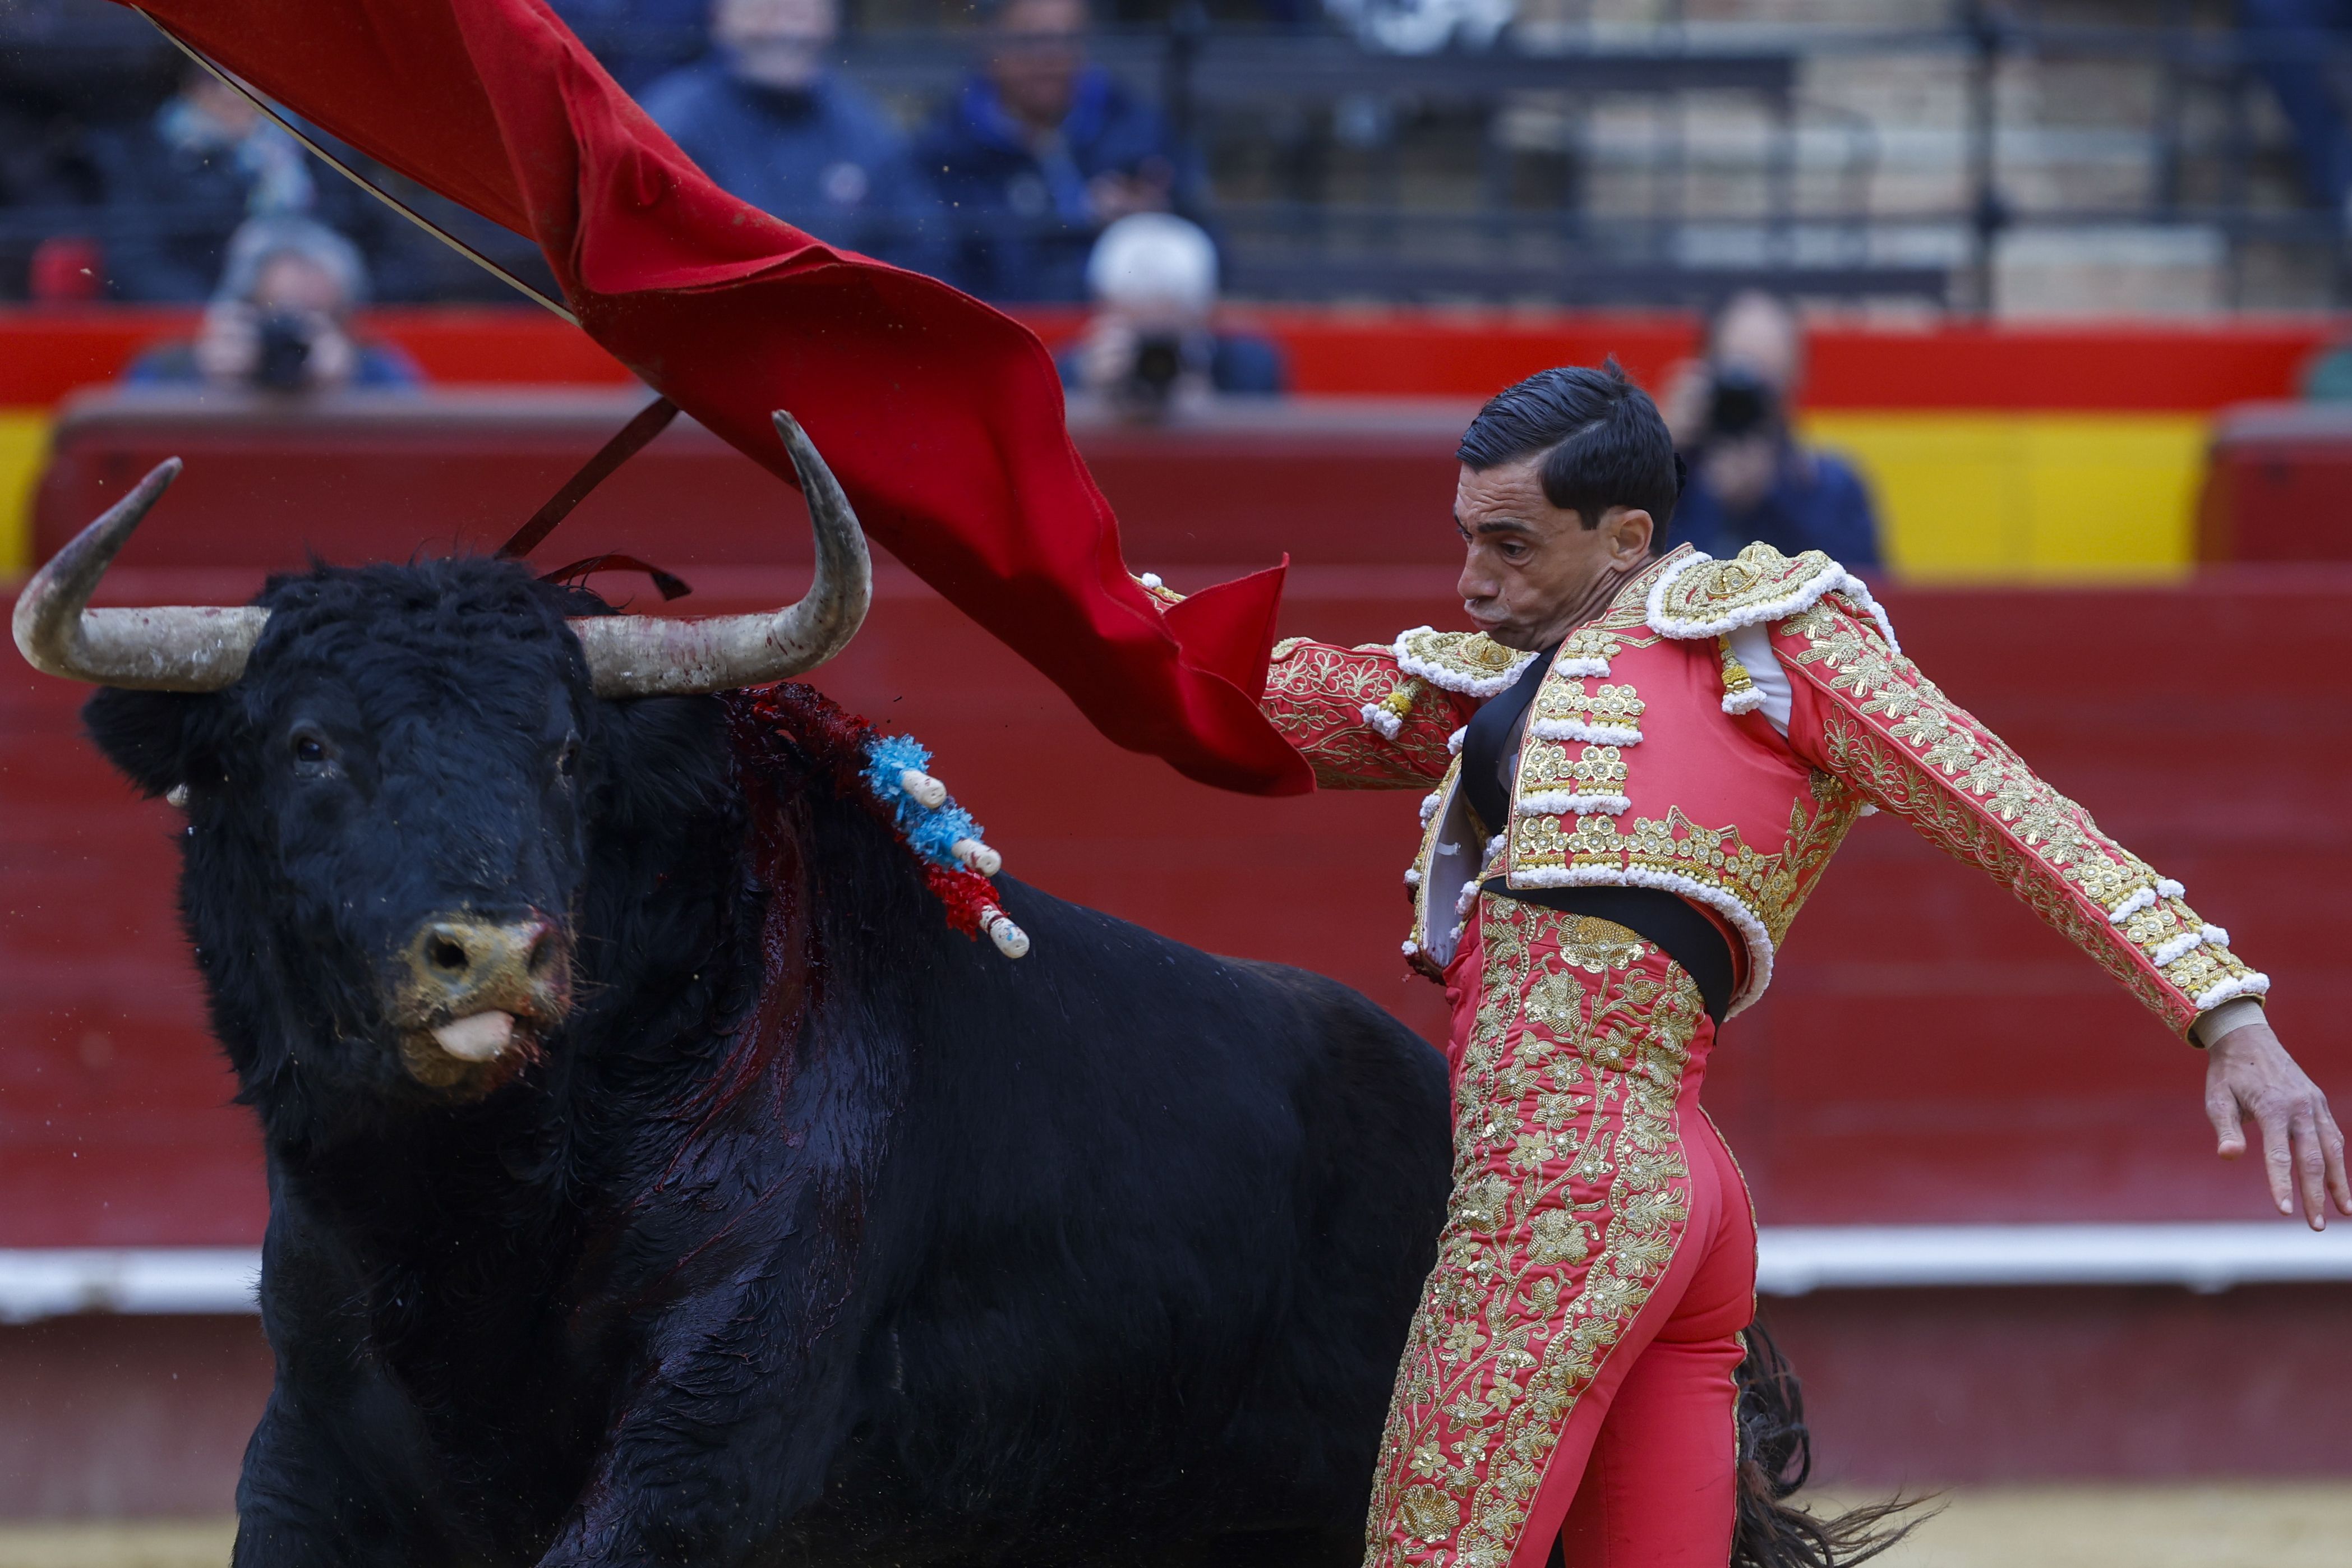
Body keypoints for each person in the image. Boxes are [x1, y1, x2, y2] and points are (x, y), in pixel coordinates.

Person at [1148, 361, 2347, 1566]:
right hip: (1674, 1185)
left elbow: (2007, 809)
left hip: (1568, 1176)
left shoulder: (1764, 638)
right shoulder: (1506, 685)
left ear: (1626, 536)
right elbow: (1258, 683)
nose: (1473, 582)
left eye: (1510, 546)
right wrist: (1061, 582)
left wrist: (2227, 1013)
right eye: (1467, 540)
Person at [638, 0, 946, 274]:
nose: (786, 26)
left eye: (803, 8)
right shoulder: (672, 122)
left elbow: (922, 248)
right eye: (765, 8)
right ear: (720, 19)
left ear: (832, 21)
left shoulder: (865, 126)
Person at [915, 0, 1192, 302]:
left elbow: (1210, 253)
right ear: (989, 40)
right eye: (1030, 40)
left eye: (1067, 39)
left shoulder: (1137, 129)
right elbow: (934, 282)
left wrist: (1150, 229)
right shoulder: (942, 152)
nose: (1050, 57)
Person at [1663, 290, 1882, 568]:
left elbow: (1861, 596)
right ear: (1705, 369)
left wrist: (1773, 498)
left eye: (1765, 382)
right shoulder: (1666, 476)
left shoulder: (1832, 487)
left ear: (1796, 379)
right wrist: (1658, 455)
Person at [89, 65, 320, 303]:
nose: (238, 109)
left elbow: (338, 227)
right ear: (192, 91)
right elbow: (135, 258)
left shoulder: (302, 146)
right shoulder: (146, 155)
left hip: (299, 302)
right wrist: (210, 312)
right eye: (223, 91)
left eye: (252, 98)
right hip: (195, 309)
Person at [123, 216, 423, 393]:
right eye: (274, 317)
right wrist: (204, 382)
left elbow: (421, 467)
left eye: (314, 318)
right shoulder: (168, 367)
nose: (291, 337)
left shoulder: (379, 370)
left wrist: (347, 389)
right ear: (237, 309)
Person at [1059, 213, 1284, 418]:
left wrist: (1210, 408)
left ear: (1203, 315)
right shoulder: (1067, 374)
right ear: (1103, 312)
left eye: (1166, 339)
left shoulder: (1251, 370)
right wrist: (1088, 396)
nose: (1155, 356)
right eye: (1140, 338)